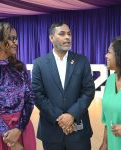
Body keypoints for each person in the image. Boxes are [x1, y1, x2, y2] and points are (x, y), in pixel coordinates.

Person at [32, 22, 95, 150]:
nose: (68, 37)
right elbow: (37, 94)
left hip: (78, 132)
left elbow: (88, 91)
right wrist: (60, 117)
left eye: (69, 34)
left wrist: (72, 115)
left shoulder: (82, 61)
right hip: (51, 132)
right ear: (51, 38)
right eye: (62, 34)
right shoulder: (39, 63)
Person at [0, 22, 36, 150]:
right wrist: (9, 137)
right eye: (11, 38)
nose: (16, 42)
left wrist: (19, 129)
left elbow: (30, 99)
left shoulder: (19, 67)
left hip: (22, 128)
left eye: (16, 38)